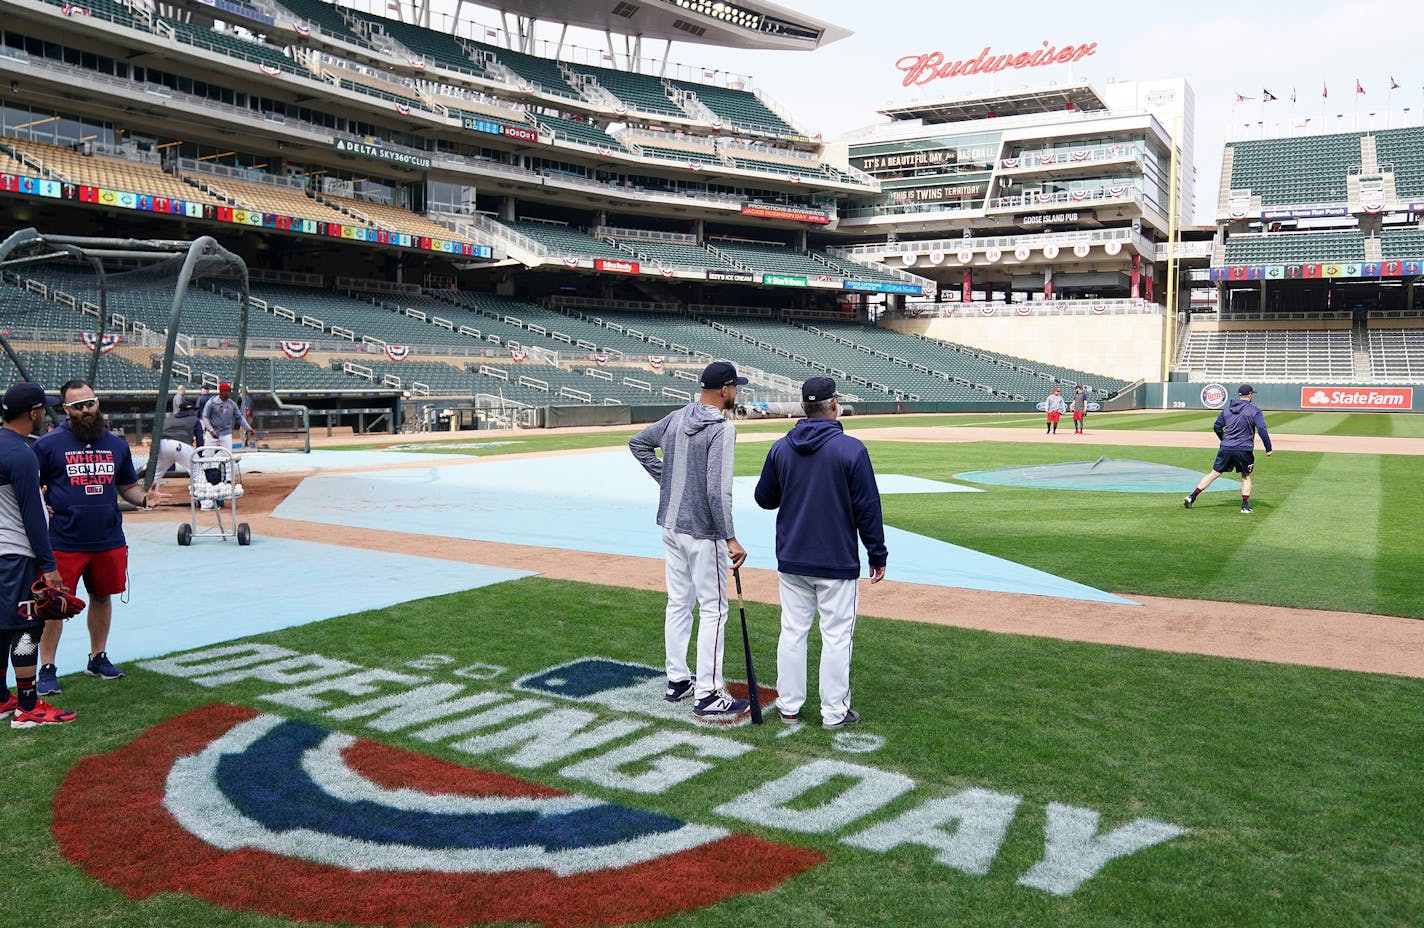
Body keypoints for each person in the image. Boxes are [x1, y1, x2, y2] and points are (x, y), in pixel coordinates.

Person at [754, 376, 887, 730]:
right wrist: (877, 553)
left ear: (803, 407)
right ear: (833, 405)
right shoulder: (851, 449)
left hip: (792, 557)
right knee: (837, 636)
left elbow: (764, 498)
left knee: (793, 632)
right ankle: (834, 711)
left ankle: (789, 706)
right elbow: (867, 508)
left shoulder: (781, 447)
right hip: (835, 560)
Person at [628, 360, 750, 719]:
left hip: (670, 525)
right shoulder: (722, 429)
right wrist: (730, 537)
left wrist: (667, 481)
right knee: (714, 608)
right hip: (703, 531)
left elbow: (639, 444)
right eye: (735, 388)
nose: (736, 393)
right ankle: (708, 692)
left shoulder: (676, 417)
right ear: (725, 390)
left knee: (679, 603)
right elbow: (717, 491)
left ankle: (678, 679)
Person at [33, 379, 165, 695]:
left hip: (108, 539)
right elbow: (30, 489)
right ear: (65, 409)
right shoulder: (47, 445)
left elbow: (127, 487)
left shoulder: (116, 445)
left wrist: (145, 498)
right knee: (54, 605)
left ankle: (97, 657)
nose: (86, 410)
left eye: (90, 403)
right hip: (64, 541)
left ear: (98, 403)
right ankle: (47, 667)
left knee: (103, 597)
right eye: (78, 406)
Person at [0, 383, 76, 728]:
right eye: (42, 408)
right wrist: (49, 565)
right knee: (28, 628)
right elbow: (32, 515)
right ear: (32, 413)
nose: (45, 412)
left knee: (2, 628)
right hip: (18, 555)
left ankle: (2, 699)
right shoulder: (21, 453)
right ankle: (27, 706)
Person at [1184, 383, 1273, 514]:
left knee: (1214, 473)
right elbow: (1262, 429)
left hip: (1226, 447)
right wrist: (1268, 447)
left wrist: (1224, 439)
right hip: (1243, 449)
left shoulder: (1226, 410)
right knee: (1246, 476)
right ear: (1250, 395)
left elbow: (1217, 426)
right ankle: (1245, 506)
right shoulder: (1255, 411)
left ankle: (1192, 496)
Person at [151, 385, 200, 494]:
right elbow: (200, 439)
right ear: (190, 410)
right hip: (181, 445)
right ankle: (206, 502)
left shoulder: (169, 418)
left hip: (163, 444)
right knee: (197, 472)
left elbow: (158, 433)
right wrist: (199, 455)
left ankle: (147, 502)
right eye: (193, 410)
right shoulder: (194, 419)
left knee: (156, 474)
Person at [200, 381, 253, 451]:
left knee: (227, 455)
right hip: (212, 433)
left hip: (226, 433)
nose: (229, 393)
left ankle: (218, 460)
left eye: (229, 391)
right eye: (226, 391)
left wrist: (248, 428)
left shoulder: (232, 404)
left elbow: (239, 418)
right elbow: (205, 416)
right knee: (208, 456)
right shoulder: (212, 402)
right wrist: (211, 430)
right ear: (221, 392)